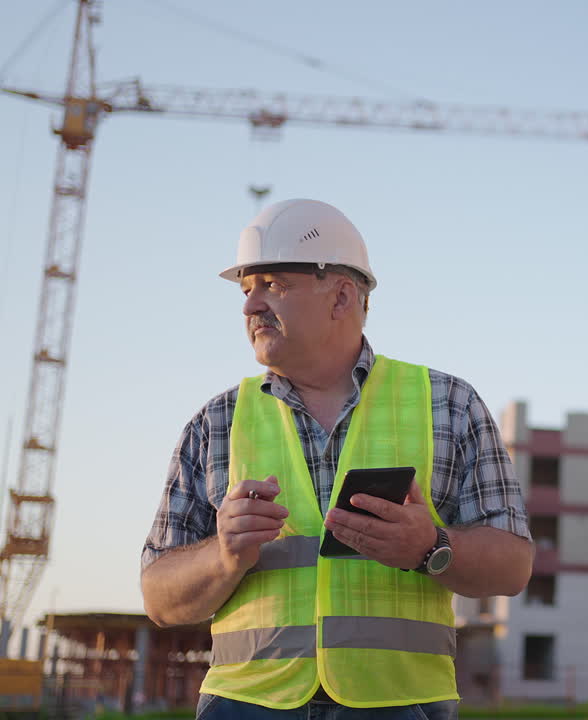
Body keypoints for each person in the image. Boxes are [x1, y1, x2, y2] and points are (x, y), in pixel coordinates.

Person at [141, 199, 533, 719]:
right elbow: (159, 598)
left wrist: (430, 545)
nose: (249, 306)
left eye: (272, 285)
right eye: (245, 289)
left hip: (400, 704)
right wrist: (224, 554)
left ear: (342, 296)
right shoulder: (216, 423)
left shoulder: (450, 405)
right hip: (246, 705)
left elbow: (513, 566)